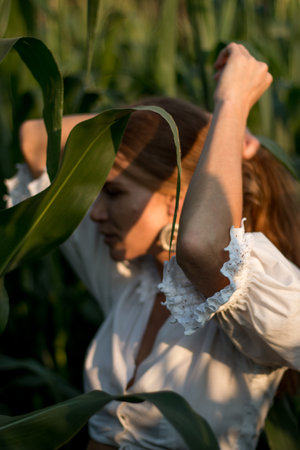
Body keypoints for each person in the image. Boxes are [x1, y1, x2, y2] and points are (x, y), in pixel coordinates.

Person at [5, 43, 300, 450]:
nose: (94, 213)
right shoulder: (128, 278)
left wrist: (233, 104)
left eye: (113, 192)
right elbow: (36, 142)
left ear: (174, 197)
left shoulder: (254, 300)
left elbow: (200, 246)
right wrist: (205, 125)